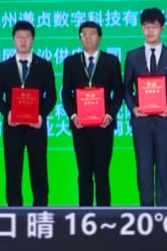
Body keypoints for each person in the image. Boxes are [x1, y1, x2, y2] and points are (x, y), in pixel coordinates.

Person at [123, 7, 167, 207]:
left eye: (154, 27)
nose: (150, 31)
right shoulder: (132, 56)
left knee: (165, 169)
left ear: (162, 28)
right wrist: (133, 108)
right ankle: (146, 213)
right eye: (146, 27)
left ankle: (163, 213)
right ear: (141, 29)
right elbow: (126, 89)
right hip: (141, 122)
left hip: (164, 121)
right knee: (143, 170)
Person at [0, 20, 56, 207]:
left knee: (39, 172)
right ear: (13, 40)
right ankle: (15, 213)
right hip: (13, 128)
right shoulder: (3, 67)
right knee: (13, 173)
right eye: (19, 37)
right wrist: (8, 113)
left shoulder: (44, 66)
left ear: (33, 39)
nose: (23, 40)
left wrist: (41, 115)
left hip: (36, 127)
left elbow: (51, 96)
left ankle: (40, 211)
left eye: (27, 37)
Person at [60, 20, 124, 207]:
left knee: (102, 173)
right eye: (84, 34)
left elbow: (119, 93)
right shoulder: (71, 62)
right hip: (80, 126)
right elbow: (66, 94)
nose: (88, 38)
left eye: (92, 34)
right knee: (84, 173)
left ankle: (104, 215)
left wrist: (110, 115)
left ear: (100, 37)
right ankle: (84, 215)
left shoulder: (111, 61)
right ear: (80, 38)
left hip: (104, 126)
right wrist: (73, 116)